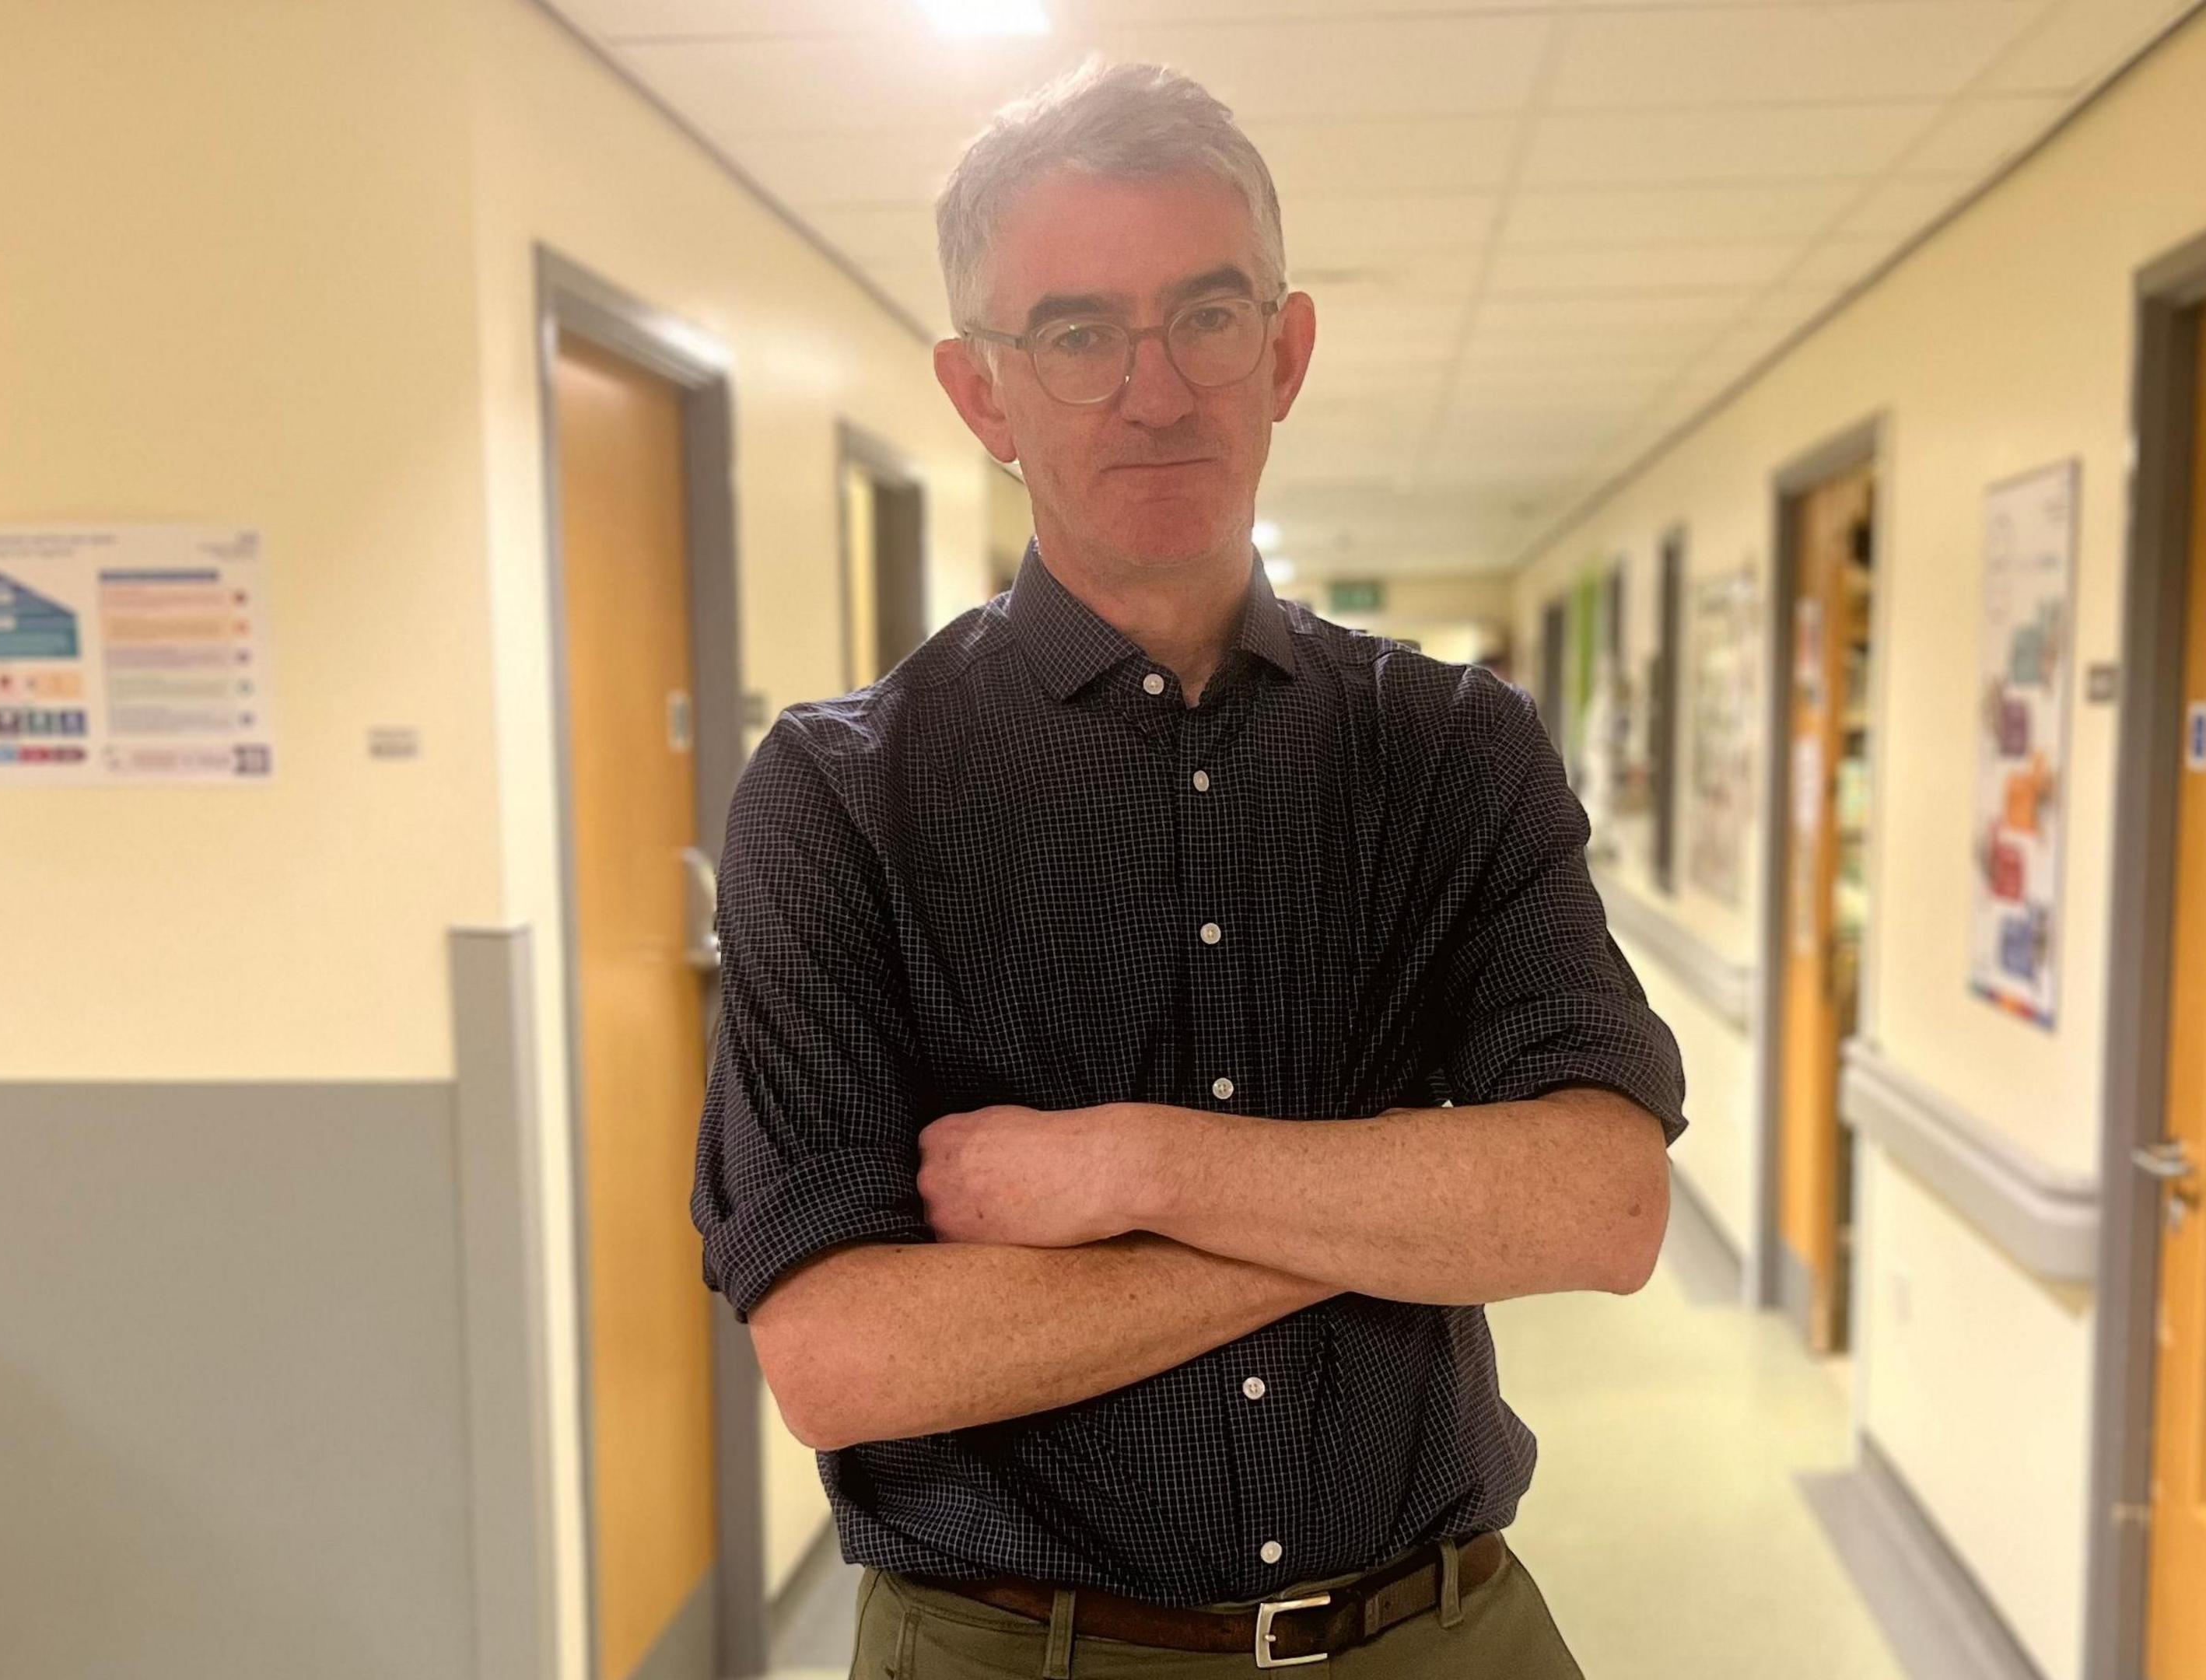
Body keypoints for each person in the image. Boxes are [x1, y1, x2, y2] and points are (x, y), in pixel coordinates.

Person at [692, 60, 1686, 1679]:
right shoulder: (840, 800)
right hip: (1016, 1649)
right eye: (1077, 333)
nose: (1154, 391)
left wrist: (1137, 1167)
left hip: (1441, 1634)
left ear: (1283, 352)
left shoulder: (1448, 752)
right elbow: (846, 1355)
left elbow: (1605, 1199)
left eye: (1206, 318)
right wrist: (1389, 1201)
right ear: (980, 394)